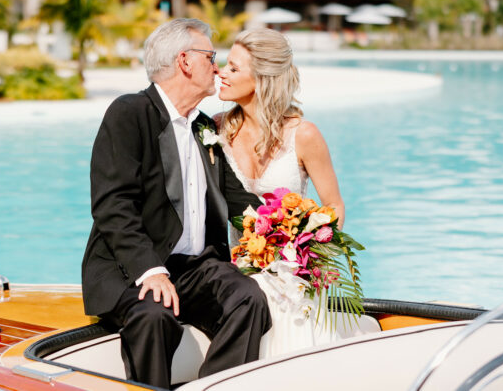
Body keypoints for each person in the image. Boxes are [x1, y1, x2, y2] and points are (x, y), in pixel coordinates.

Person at [82, 19, 271, 389]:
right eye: (211, 57)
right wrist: (150, 269)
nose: (216, 68)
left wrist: (287, 228)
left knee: (248, 297)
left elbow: (235, 198)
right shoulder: (130, 113)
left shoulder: (203, 126)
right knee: (154, 317)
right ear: (185, 61)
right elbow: (112, 204)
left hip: (195, 268)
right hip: (130, 269)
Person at [215, 27, 346, 358]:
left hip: (291, 275)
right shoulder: (215, 130)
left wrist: (309, 255)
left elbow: (333, 205)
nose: (221, 72)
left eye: (233, 67)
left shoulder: (304, 135)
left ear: (260, 80)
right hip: (236, 272)